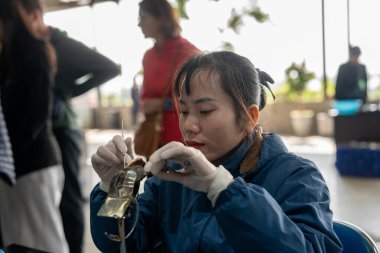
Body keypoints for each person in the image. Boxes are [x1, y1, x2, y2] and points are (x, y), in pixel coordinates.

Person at [90, 51, 343, 252]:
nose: (189, 126)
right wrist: (117, 189)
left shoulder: (296, 178)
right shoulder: (173, 179)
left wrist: (224, 189)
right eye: (184, 111)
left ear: (249, 117)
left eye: (206, 111)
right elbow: (122, 243)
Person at [15, 1, 121, 252]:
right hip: (38, 132)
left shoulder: (61, 45)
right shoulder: (21, 48)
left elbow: (110, 68)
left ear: (35, 16)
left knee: (69, 196)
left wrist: (68, 90)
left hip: (63, 129)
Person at [0, 0, 68, 252]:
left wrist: (8, 151)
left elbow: (36, 118)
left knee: (46, 242)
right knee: (17, 241)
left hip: (34, 165)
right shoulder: (8, 57)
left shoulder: (35, 53)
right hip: (12, 168)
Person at [137, 0, 200, 150]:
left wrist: (161, 104)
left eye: (143, 18)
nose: (139, 24)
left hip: (184, 138)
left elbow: (197, 102)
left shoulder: (188, 53)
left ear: (161, 19)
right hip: (155, 138)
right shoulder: (148, 56)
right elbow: (145, 99)